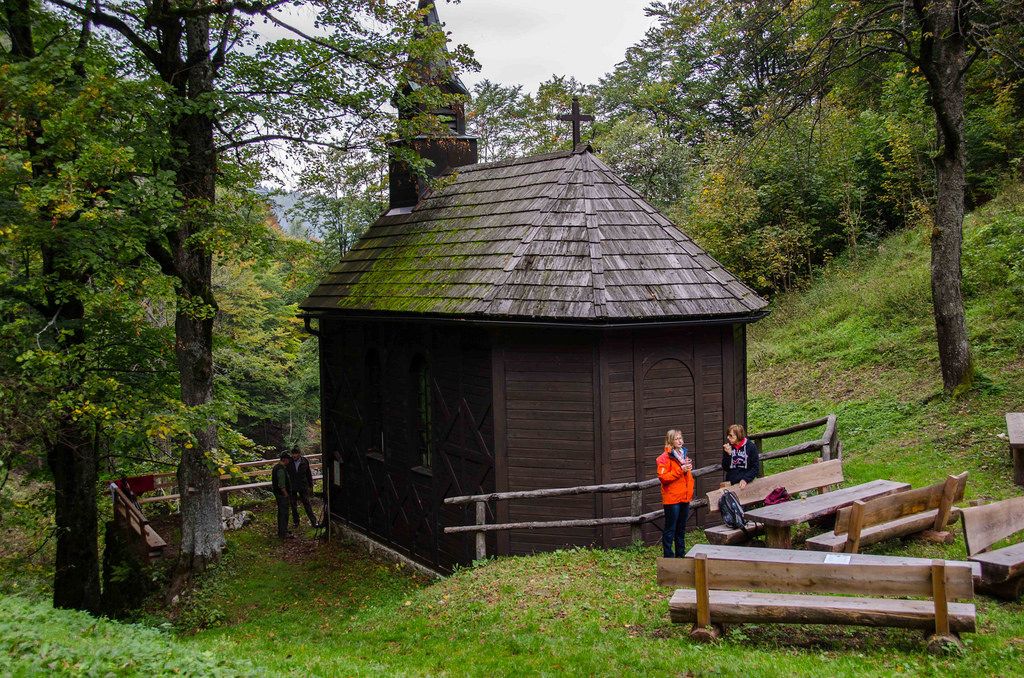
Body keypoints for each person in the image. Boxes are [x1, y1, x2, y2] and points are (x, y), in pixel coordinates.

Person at [656, 429, 694, 558]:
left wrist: (687, 470)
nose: (680, 441)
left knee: (681, 529)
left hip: (684, 496)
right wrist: (681, 470)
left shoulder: (683, 454)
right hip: (672, 499)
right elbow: (663, 478)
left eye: (680, 438)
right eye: (677, 438)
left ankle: (681, 555)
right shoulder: (663, 458)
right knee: (670, 529)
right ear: (670, 441)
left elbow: (685, 475)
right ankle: (668, 557)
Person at [287, 446, 318, 529]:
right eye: (293, 454)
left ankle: (313, 521)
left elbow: (308, 474)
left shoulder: (304, 461)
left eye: (295, 454)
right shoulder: (289, 461)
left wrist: (310, 486)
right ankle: (296, 522)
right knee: (293, 505)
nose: (294, 456)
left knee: (307, 503)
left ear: (299, 454)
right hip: (292, 486)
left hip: (302, 485)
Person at [722, 423, 760, 489]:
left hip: (747, 483)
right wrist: (729, 455)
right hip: (731, 483)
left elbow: (755, 467)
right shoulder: (728, 447)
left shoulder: (751, 447)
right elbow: (725, 468)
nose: (728, 437)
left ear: (738, 436)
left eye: (731, 436)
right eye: (728, 435)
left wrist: (745, 479)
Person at [272, 452, 292, 538]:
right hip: (282, 495)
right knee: (284, 513)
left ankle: (283, 530)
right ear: (285, 459)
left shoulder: (277, 467)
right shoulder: (280, 469)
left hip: (279, 494)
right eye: (288, 460)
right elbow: (281, 484)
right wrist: (286, 494)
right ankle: (283, 532)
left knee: (282, 513)